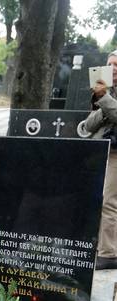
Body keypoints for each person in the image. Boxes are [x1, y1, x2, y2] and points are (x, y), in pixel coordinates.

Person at [83, 50, 117, 270]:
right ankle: (99, 246)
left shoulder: (105, 94)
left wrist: (105, 100)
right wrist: (103, 101)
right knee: (95, 199)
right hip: (100, 150)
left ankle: (109, 254)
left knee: (109, 203)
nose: (113, 69)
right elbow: (89, 125)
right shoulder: (103, 91)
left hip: (116, 153)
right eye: (110, 64)